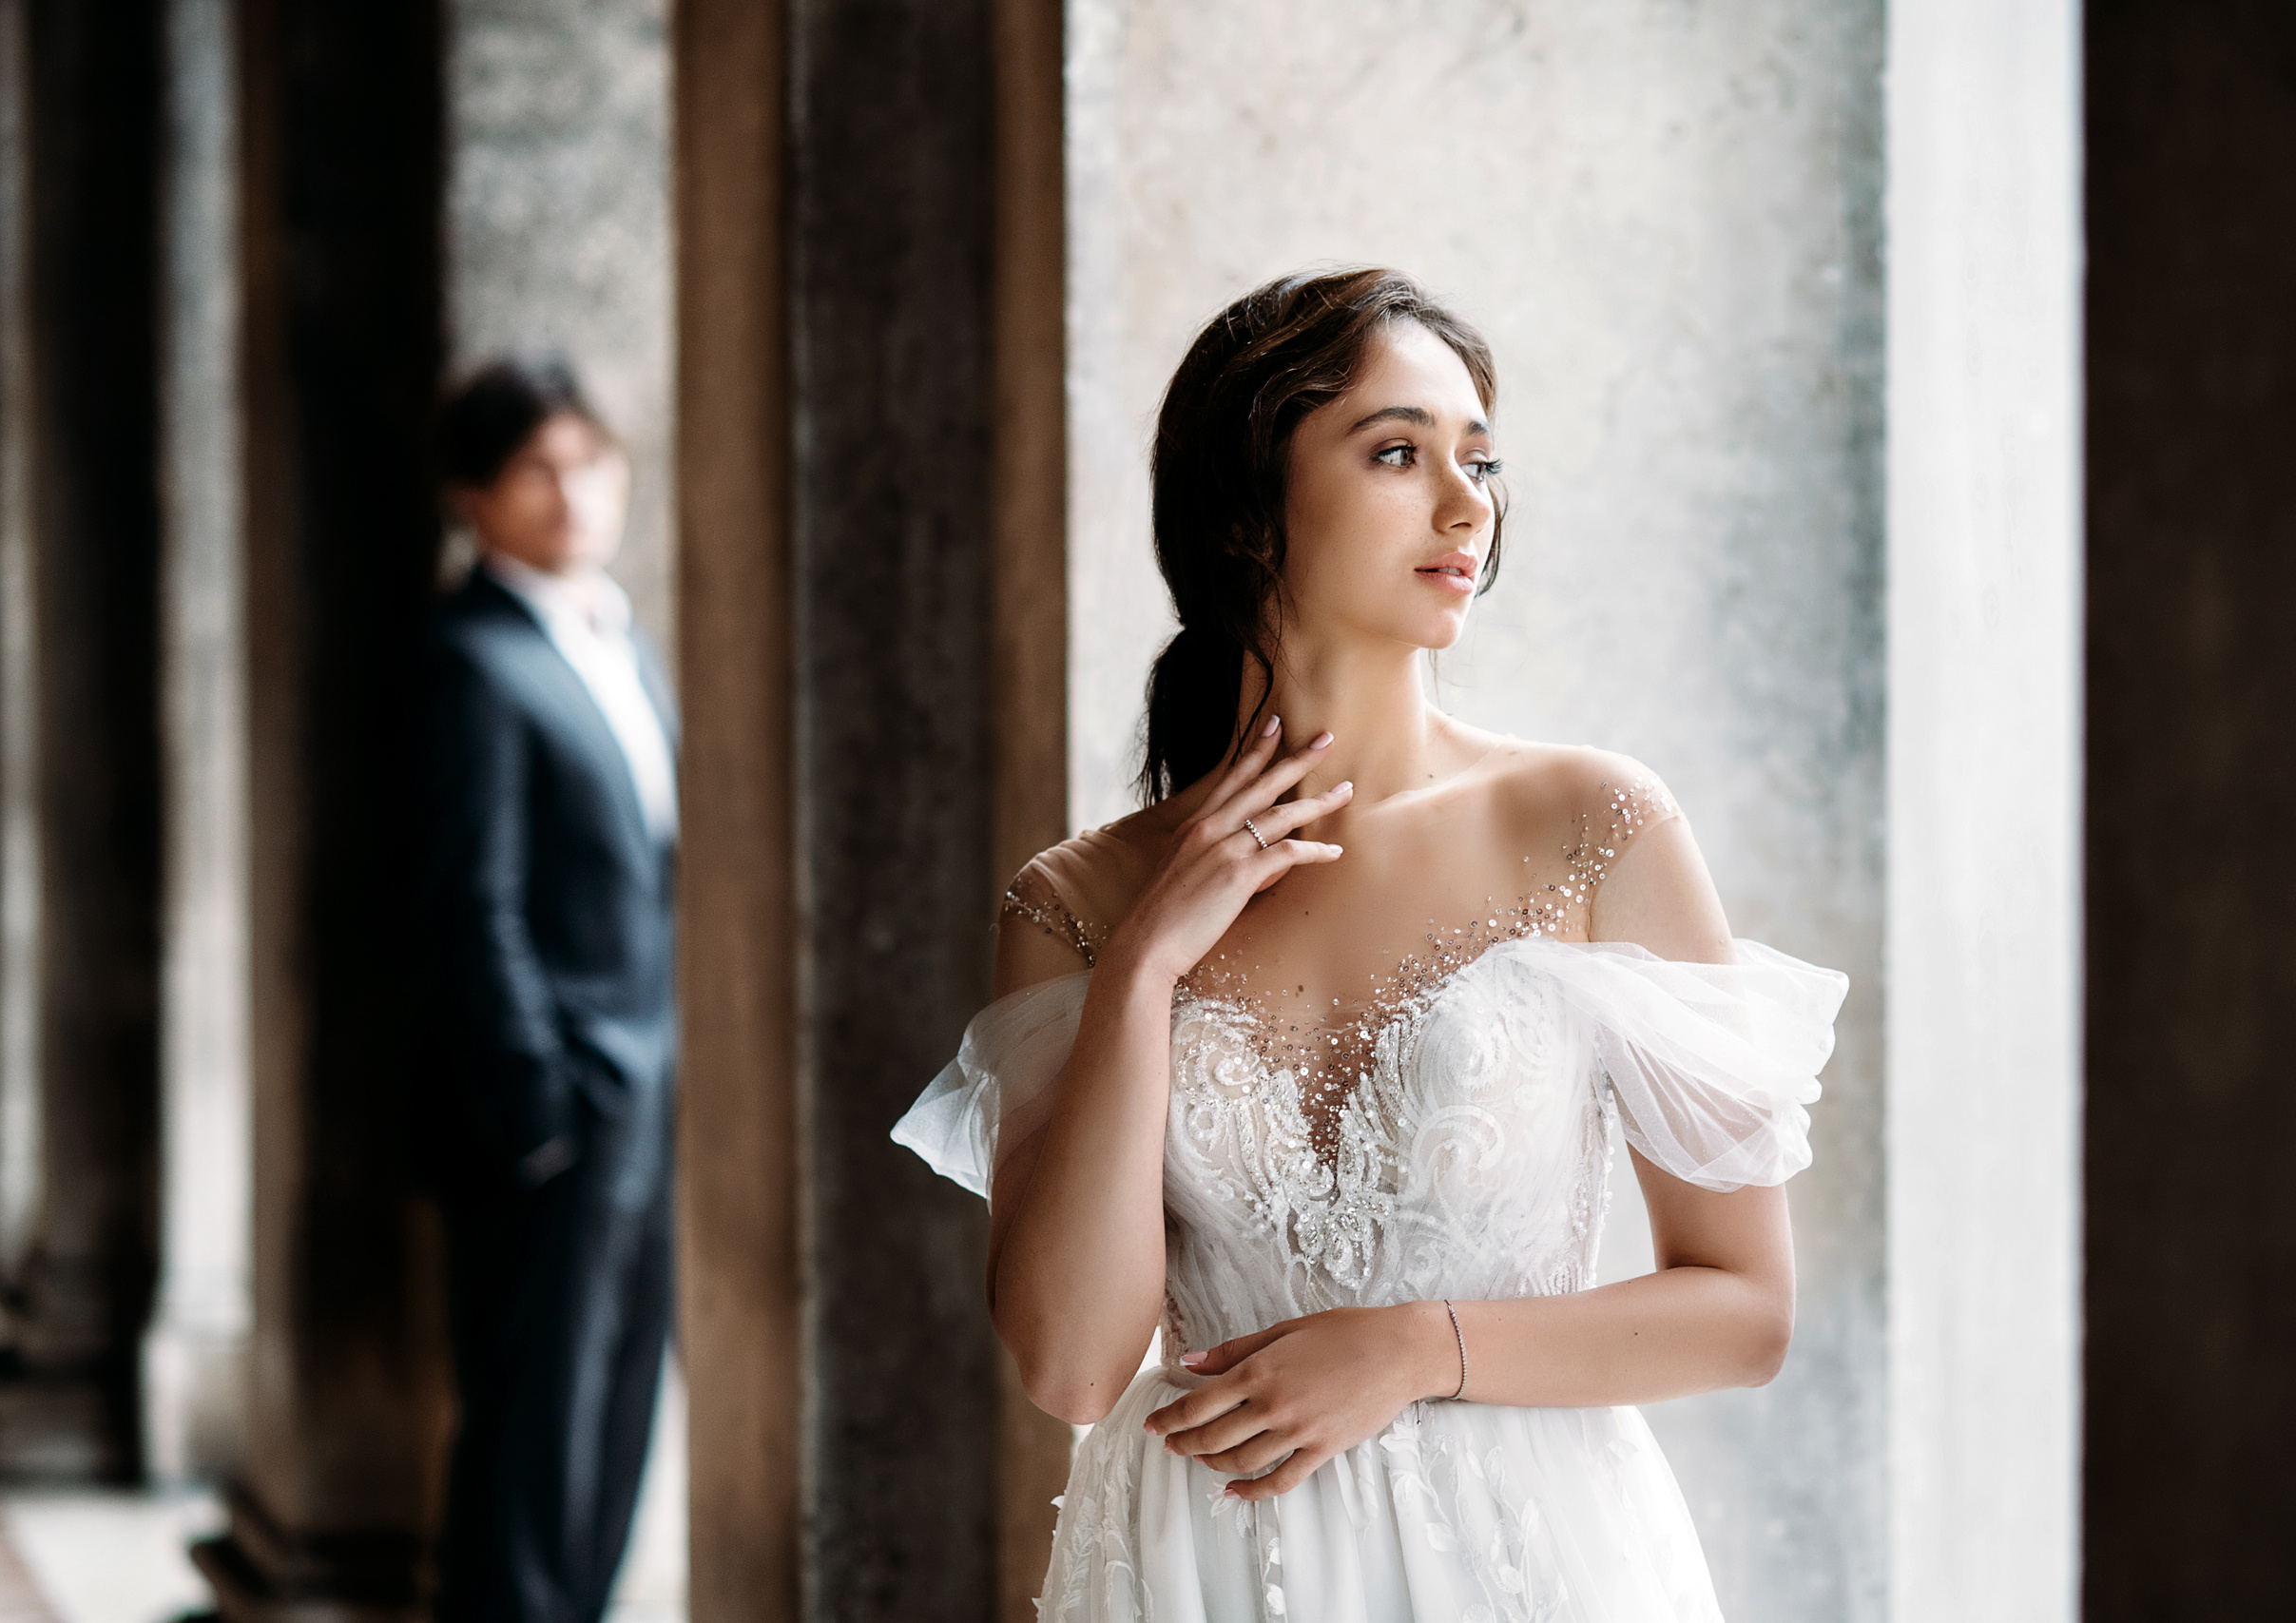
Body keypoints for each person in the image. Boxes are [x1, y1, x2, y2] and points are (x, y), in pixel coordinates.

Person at [894, 269, 1846, 1620]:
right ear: (1246, 510)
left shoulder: (1592, 827)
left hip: (1530, 1566)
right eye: (1398, 453)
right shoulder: (1085, 901)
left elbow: (1746, 1309)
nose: (1467, 506)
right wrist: (1146, 972)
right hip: (1204, 1569)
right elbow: (1072, 1365)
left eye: (1479, 460)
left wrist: (1415, 1347)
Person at [416, 356, 677, 1623]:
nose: (572, 491)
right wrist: (537, 1108)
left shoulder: (612, 636)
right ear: (474, 493)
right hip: (556, 1115)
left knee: (618, 1414)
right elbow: (472, 901)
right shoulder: (469, 657)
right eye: (536, 466)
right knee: (532, 1429)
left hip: (648, 1096)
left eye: (591, 461)